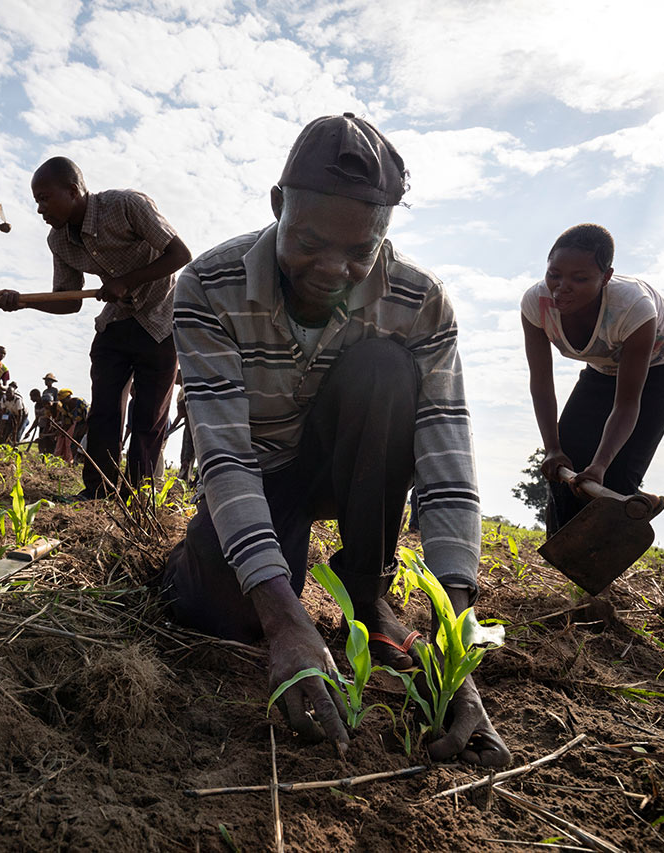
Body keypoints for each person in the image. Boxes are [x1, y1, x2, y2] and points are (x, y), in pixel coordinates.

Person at [163, 113, 508, 766]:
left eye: (359, 251)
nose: (332, 269)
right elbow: (226, 456)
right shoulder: (209, 286)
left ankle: (368, 593)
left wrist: (455, 653)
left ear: (385, 234)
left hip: (343, 470)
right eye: (310, 241)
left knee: (384, 370)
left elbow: (446, 459)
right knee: (225, 618)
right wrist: (282, 617)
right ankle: (198, 561)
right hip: (260, 471)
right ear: (278, 206)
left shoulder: (419, 302)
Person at [0, 158, 192, 499]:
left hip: (161, 320)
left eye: (44, 198)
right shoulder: (59, 240)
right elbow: (69, 300)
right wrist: (23, 301)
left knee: (149, 417)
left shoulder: (127, 205)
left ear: (73, 191)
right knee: (104, 411)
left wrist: (127, 281)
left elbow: (180, 254)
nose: (40, 209)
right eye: (37, 201)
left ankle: (138, 497)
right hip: (117, 320)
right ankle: (98, 490)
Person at [521, 223, 664, 534]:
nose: (561, 287)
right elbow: (541, 382)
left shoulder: (633, 307)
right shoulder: (536, 304)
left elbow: (627, 404)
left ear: (606, 277)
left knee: (615, 474)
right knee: (564, 460)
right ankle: (561, 552)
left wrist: (599, 466)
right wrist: (552, 448)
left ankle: (612, 539)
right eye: (554, 274)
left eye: (580, 278)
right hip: (603, 368)